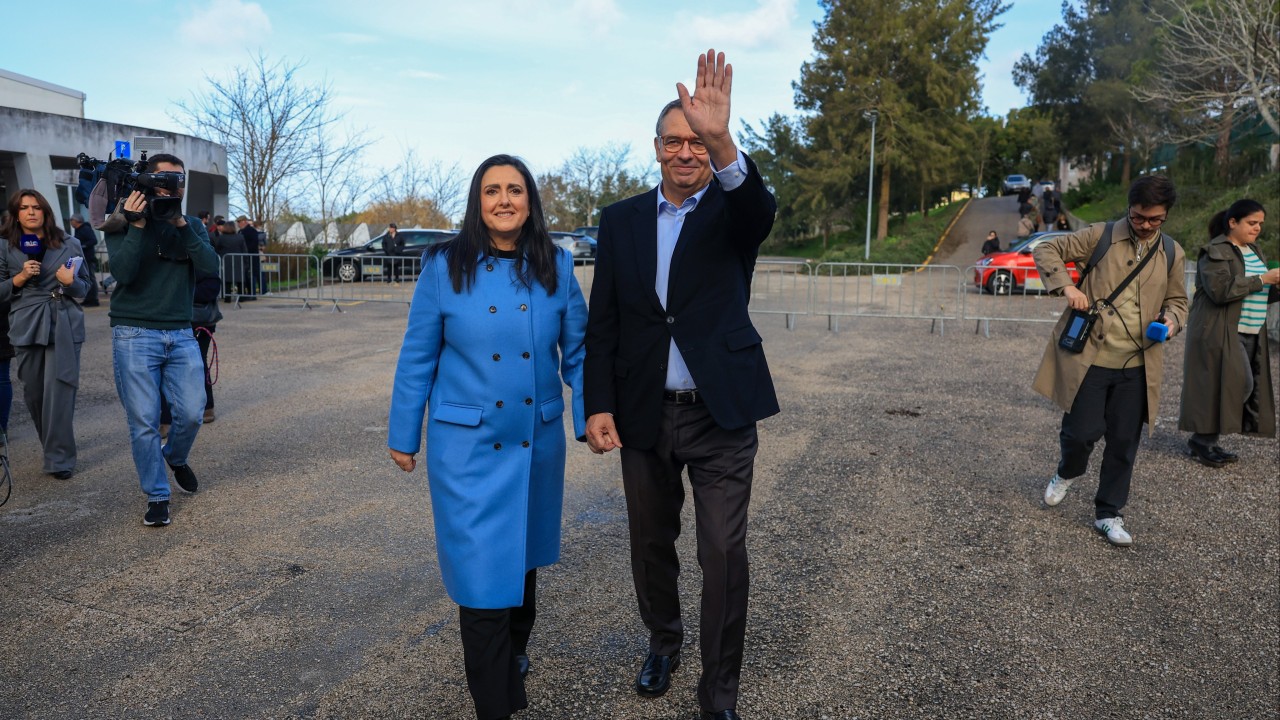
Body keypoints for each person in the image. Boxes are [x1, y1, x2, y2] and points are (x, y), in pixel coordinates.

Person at [584, 50, 778, 720]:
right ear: (657, 149)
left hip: (719, 413)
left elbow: (759, 207)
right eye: (677, 141)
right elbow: (602, 321)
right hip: (642, 412)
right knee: (649, 544)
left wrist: (724, 136)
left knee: (723, 552)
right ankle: (663, 642)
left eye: (698, 142)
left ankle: (719, 691)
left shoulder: (733, 211)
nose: (687, 152)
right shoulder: (619, 221)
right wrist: (597, 403)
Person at [387, 154, 586, 720]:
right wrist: (405, 433)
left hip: (533, 444)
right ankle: (497, 705)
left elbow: (579, 352)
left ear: (530, 202)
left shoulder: (558, 266)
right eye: (492, 190)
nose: (504, 200)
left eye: (515, 190)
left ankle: (513, 656)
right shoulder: (444, 266)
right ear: (477, 201)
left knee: (521, 565)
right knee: (481, 580)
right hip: (468, 450)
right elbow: (417, 355)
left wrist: (590, 415)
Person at [1033, 175, 1188, 547]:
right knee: (1080, 433)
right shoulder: (1099, 235)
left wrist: (1170, 322)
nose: (1147, 226)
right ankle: (1067, 472)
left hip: (1138, 365)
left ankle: (1109, 513)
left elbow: (1179, 301)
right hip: (1091, 358)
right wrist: (1068, 286)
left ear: (1166, 215)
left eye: (1155, 219)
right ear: (1129, 208)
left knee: (1123, 443)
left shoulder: (1171, 251)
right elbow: (1045, 250)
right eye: (1139, 218)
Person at [104, 153, 220, 527]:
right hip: (133, 331)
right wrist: (136, 225)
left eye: (178, 180)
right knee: (144, 420)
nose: (173, 185)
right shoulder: (123, 220)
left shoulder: (191, 226)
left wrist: (182, 224)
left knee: (191, 411)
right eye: (165, 178)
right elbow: (122, 272)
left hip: (180, 330)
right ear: (149, 180)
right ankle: (157, 494)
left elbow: (210, 267)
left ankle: (175, 456)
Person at [0, 190, 93, 478]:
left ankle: (59, 459)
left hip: (63, 320)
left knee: (60, 391)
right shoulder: (4, 247)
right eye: (25, 208)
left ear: (45, 212)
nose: (31, 212)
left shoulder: (70, 243)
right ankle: (53, 446)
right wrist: (19, 278)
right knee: (35, 394)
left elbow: (85, 289)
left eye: (37, 207)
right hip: (26, 322)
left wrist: (70, 282)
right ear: (16, 213)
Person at [1178, 199, 1278, 466]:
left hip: (1250, 330)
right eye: (1251, 223)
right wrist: (1263, 279)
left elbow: (1258, 293)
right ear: (1233, 222)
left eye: (1260, 224)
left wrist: (1274, 286)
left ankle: (1205, 441)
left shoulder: (1254, 250)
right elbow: (1221, 290)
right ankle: (1202, 441)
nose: (1257, 229)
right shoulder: (1215, 250)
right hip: (1220, 330)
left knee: (1234, 385)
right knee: (1239, 384)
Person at [69, 214, 101, 307]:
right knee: (85, 279)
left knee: (90, 278)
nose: (70, 222)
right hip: (83, 259)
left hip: (88, 258)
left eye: (71, 220)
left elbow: (93, 240)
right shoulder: (78, 230)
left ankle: (93, 300)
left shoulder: (85, 229)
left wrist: (82, 246)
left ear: (76, 221)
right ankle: (88, 299)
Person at [211, 220, 248, 298]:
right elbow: (244, 250)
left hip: (226, 261)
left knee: (227, 280)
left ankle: (227, 297)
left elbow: (217, 249)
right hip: (238, 261)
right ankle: (241, 297)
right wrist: (246, 262)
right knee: (240, 280)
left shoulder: (222, 238)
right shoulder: (240, 237)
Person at [235, 215, 261, 298]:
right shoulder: (240, 232)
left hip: (251, 257)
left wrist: (245, 251)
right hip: (244, 257)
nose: (238, 224)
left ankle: (252, 294)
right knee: (246, 276)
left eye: (239, 222)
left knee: (251, 275)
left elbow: (253, 244)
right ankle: (248, 293)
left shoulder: (251, 231)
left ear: (243, 221)